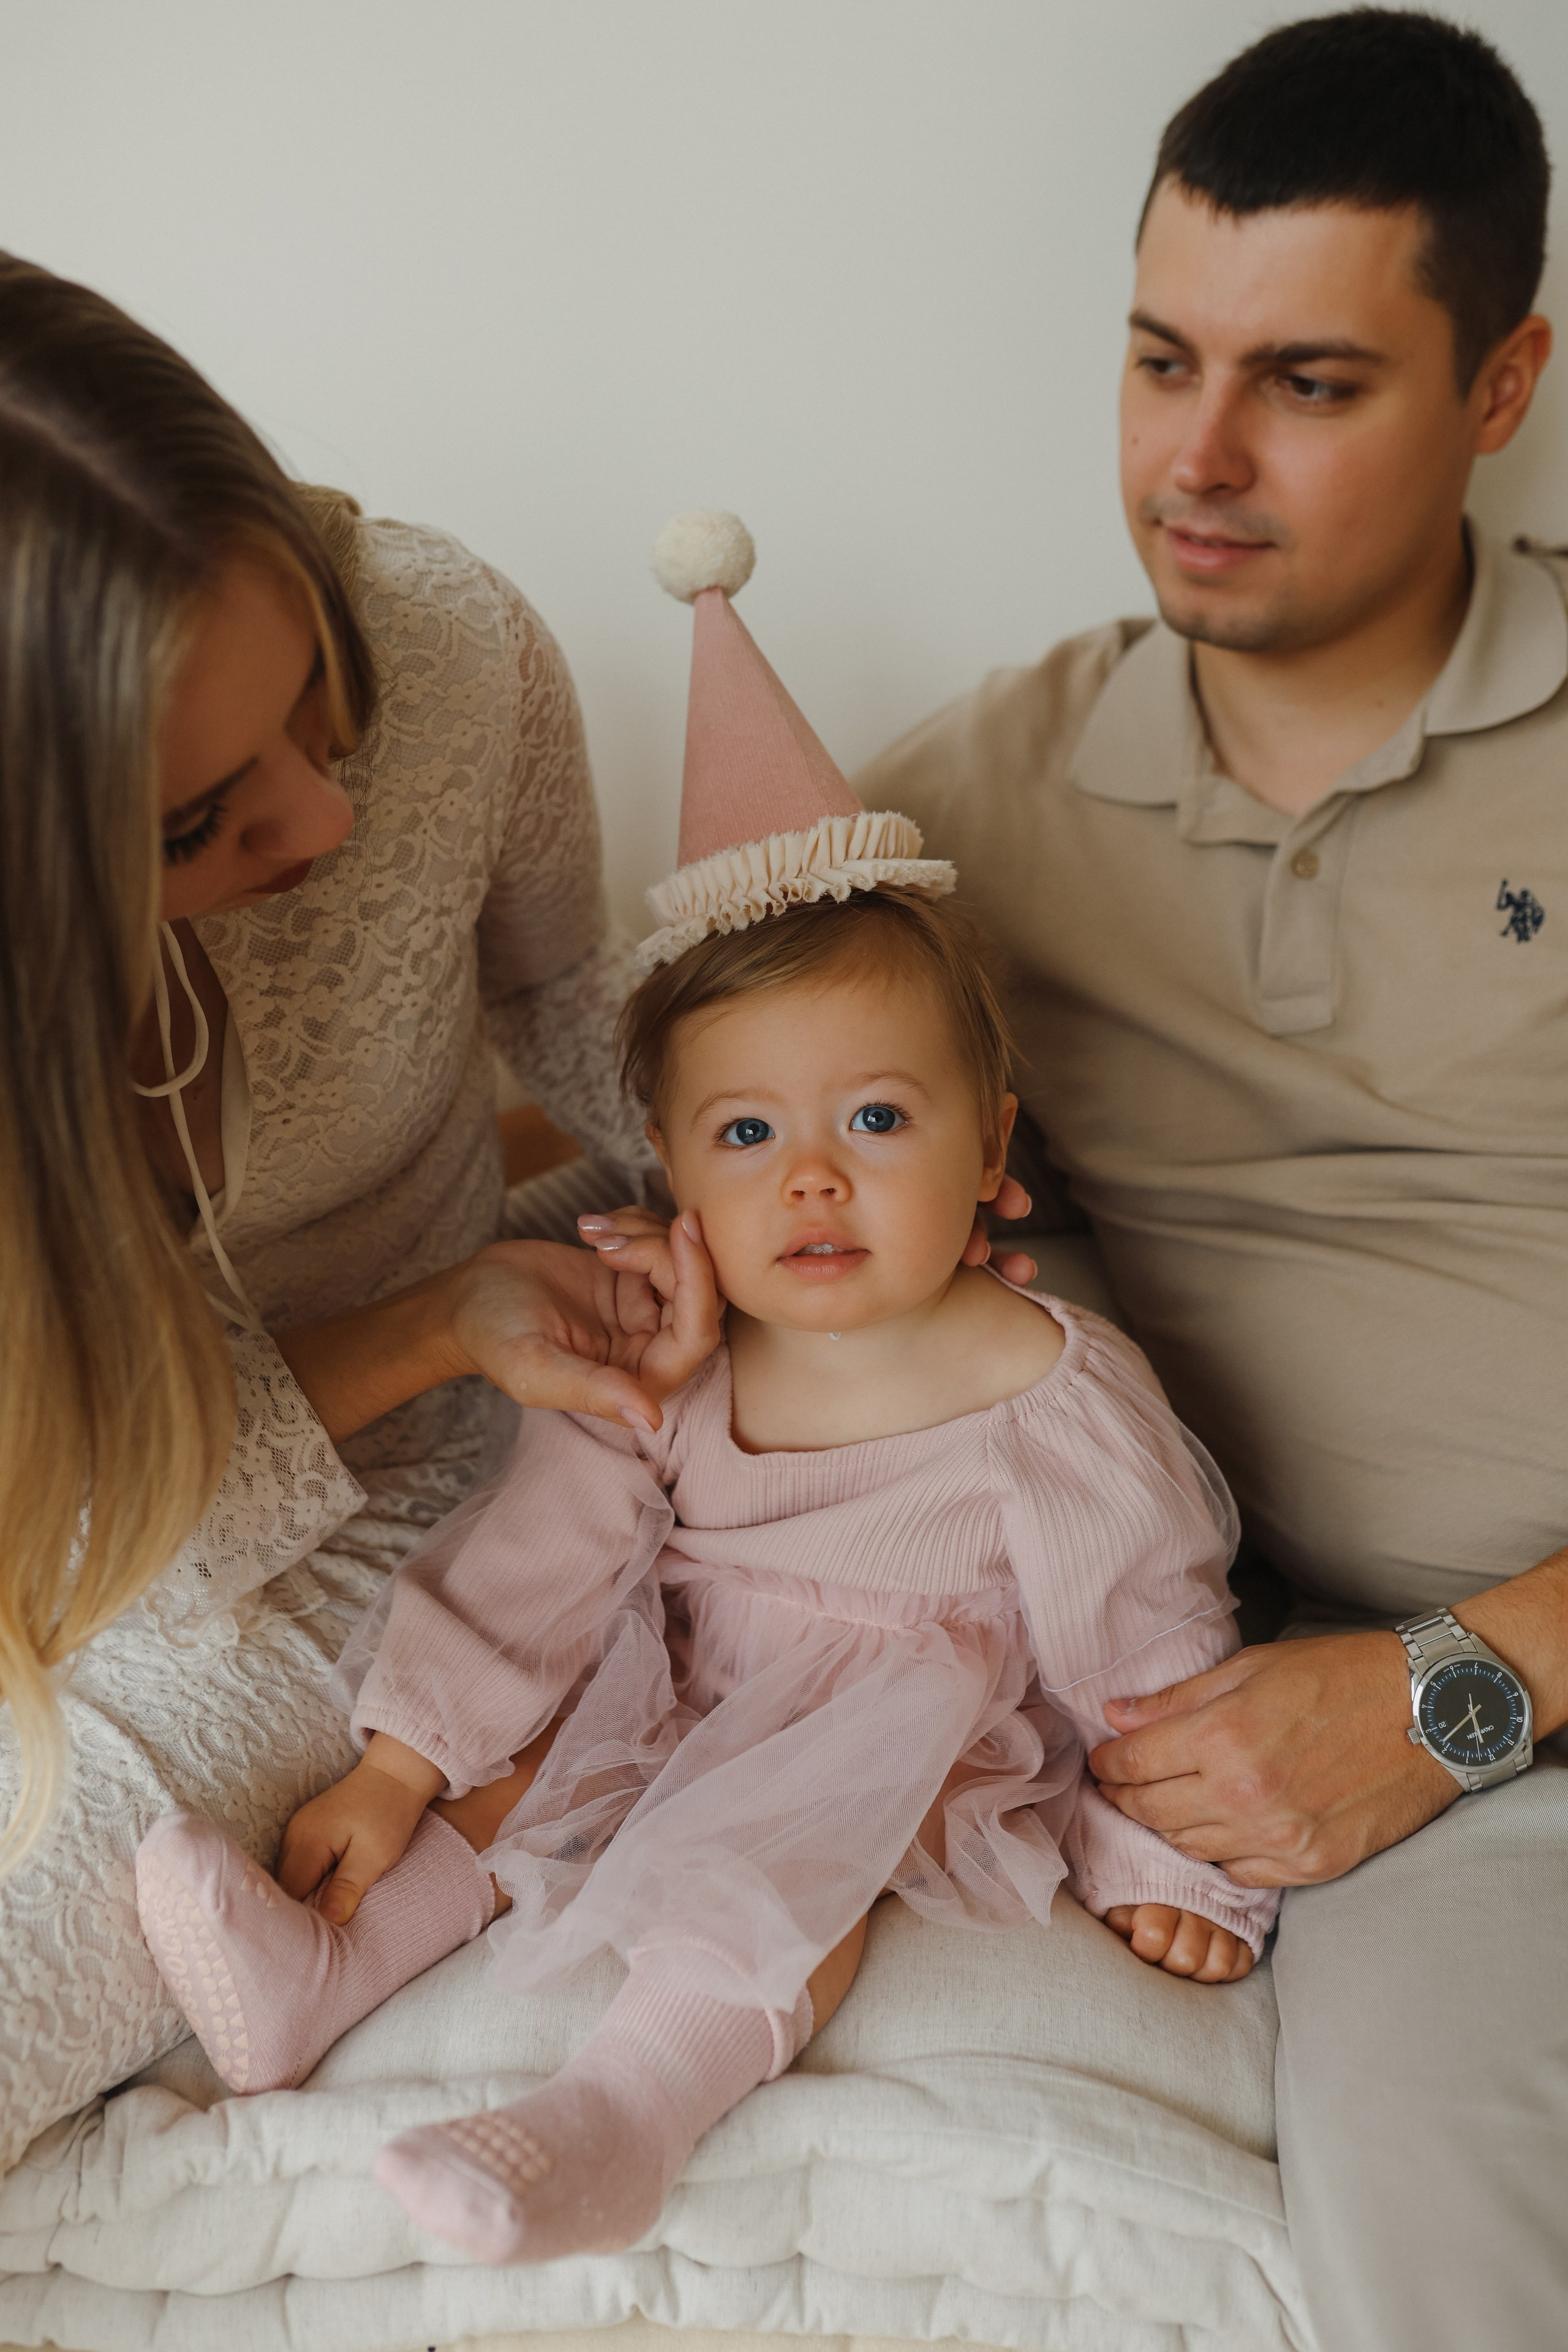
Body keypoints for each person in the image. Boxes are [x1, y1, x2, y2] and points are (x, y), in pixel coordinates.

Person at [132, 513, 1273, 2266]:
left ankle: (620, 2118)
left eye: (877, 1119)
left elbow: (1146, 1642)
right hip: (666, 1682)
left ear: (992, 1152)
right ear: (668, 1167)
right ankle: (326, 1973)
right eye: (747, 1135)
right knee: (520, 1773)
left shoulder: (1047, 1389)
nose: (811, 1176)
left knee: (778, 1858)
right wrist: (395, 1766)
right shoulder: (669, 1353)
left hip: (882, 1730)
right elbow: (535, 1566)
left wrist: (1169, 1856)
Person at [853, 12, 1568, 2350]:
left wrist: (1462, 1689)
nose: (1200, 458)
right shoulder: (978, 800)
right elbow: (709, 1135)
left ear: (1502, 386)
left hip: (1487, 1691)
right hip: (1304, 1705)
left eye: (1310, 384)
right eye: (1162, 361)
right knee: (1441, 2262)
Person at [0, 254, 726, 2174]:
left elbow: (568, 1002)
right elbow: (86, 1500)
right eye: (196, 823)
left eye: (319, 696)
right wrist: (443, 1317)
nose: (322, 821)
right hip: (83, 1488)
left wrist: (803, 1141)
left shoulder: (453, 646)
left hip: (367, 1473)